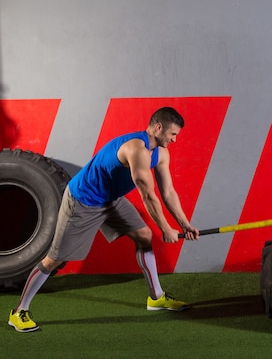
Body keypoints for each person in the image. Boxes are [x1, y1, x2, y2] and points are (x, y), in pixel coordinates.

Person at [8, 107, 200, 332]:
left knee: (144, 235)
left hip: (111, 199)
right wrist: (165, 228)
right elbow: (148, 195)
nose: (174, 139)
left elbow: (168, 192)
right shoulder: (136, 149)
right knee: (55, 259)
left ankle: (156, 298)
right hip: (84, 200)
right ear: (158, 128)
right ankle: (19, 311)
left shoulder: (161, 153)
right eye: (172, 134)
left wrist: (185, 225)